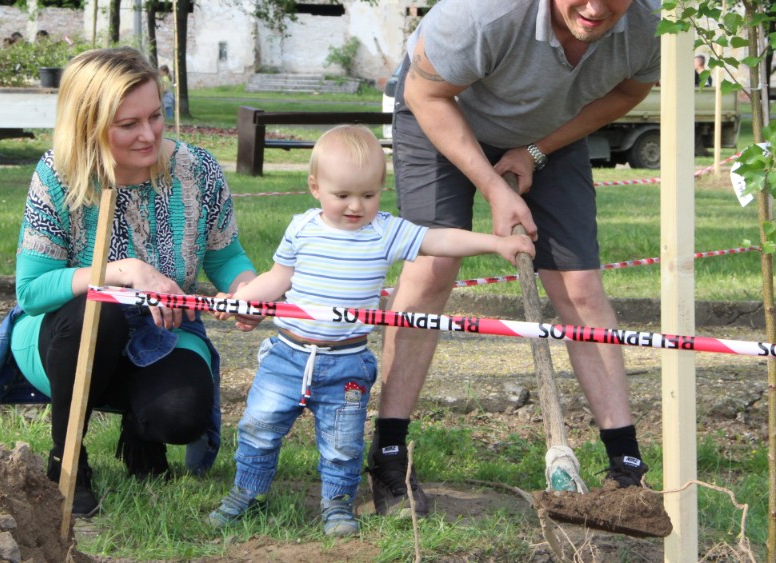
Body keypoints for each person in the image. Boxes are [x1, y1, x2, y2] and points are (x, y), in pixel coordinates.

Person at [368, 0, 661, 517]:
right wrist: (494, 187)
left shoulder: (654, 14)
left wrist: (534, 151)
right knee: (433, 267)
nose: (595, 8)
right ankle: (389, 460)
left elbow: (628, 92)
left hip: (547, 127)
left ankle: (627, 477)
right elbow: (425, 93)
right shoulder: (489, 3)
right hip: (442, 110)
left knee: (580, 287)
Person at [0, 47, 258, 517]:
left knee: (179, 416)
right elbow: (31, 292)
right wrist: (123, 271)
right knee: (103, 309)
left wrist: (247, 290)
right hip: (63, 336)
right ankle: (67, 458)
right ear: (87, 126)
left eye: (155, 116)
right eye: (128, 124)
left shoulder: (197, 170)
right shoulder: (58, 175)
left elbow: (226, 255)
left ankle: (140, 431)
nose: (148, 134)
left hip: (163, 329)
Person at [207, 124, 534, 535]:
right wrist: (241, 298)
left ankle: (337, 506)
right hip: (286, 357)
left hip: (346, 365)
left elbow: (439, 240)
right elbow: (277, 278)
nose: (355, 206)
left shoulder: (384, 231)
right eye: (342, 195)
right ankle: (247, 493)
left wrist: (496, 243)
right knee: (259, 428)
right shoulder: (302, 228)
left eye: (368, 195)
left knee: (342, 445)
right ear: (315, 187)